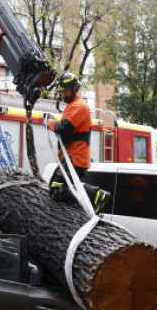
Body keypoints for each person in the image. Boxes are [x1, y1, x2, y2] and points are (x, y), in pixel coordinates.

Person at [46, 72, 110, 212]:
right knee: (63, 189)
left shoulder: (79, 106)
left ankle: (96, 194)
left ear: (75, 89)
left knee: (56, 189)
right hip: (71, 157)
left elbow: (62, 128)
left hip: (74, 158)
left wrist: (49, 122)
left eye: (65, 91)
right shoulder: (73, 105)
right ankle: (82, 206)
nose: (62, 94)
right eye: (61, 91)